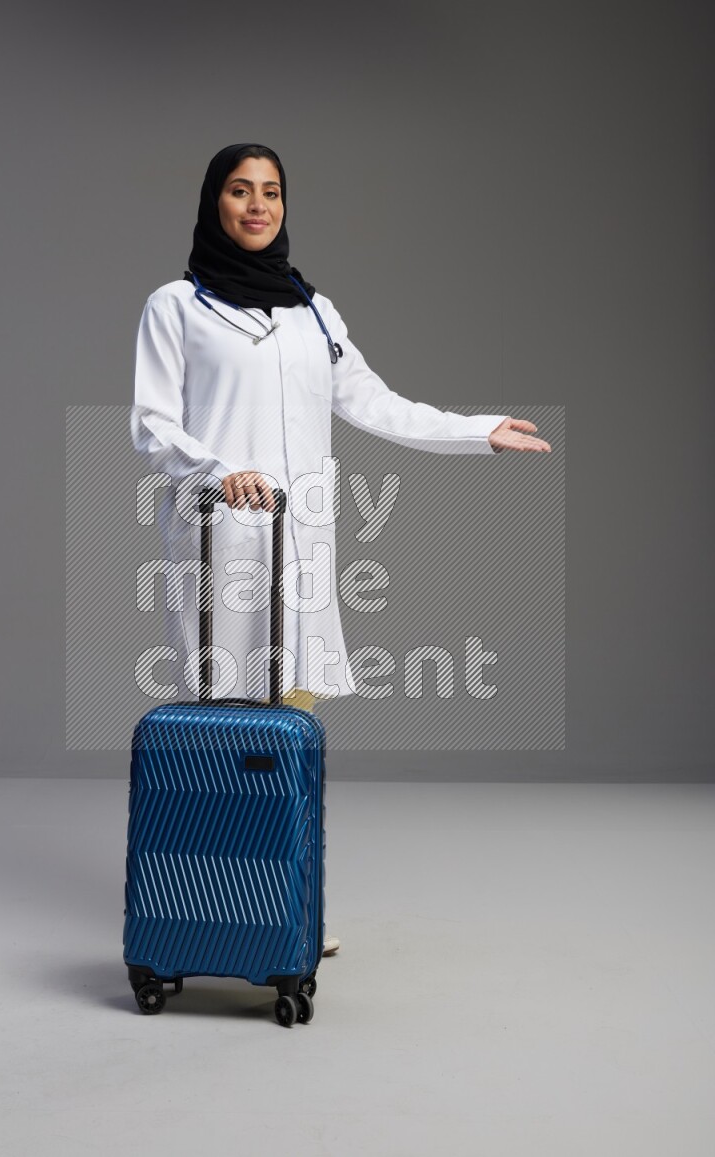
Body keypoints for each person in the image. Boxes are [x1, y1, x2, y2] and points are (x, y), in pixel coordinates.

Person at [131, 143, 551, 957]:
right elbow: (151, 423)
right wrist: (219, 470)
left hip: (302, 536)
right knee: (222, 718)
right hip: (222, 538)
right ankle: (217, 906)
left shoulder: (313, 312)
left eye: (272, 192)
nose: (258, 206)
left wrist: (477, 432)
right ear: (212, 202)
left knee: (294, 712)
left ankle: (282, 903)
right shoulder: (176, 305)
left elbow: (375, 403)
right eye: (240, 191)